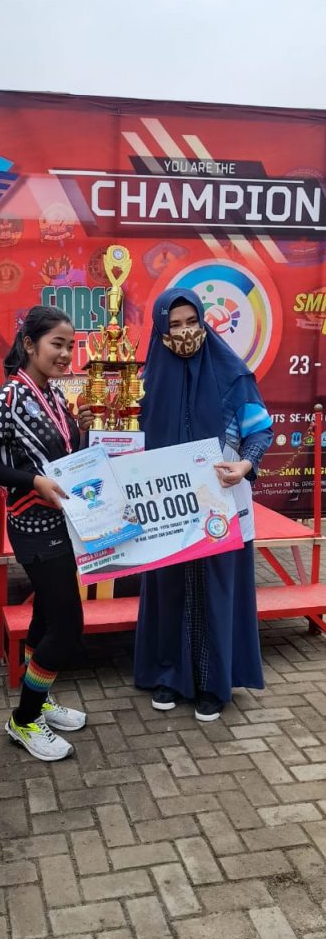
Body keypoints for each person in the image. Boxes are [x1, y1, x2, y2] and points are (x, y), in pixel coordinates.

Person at [134, 287, 273, 722]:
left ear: (204, 322)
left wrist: (245, 465)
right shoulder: (146, 382)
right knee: (168, 586)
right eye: (174, 325)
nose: (185, 332)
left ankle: (214, 683)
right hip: (167, 508)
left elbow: (259, 431)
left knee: (217, 588)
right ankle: (170, 676)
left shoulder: (232, 374)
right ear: (160, 330)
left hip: (221, 502)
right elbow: (128, 438)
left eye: (191, 322)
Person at [0, 305, 93, 762]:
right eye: (56, 344)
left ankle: (39, 700)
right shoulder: (9, 398)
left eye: (69, 346)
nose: (64, 354)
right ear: (29, 344)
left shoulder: (54, 395)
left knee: (45, 618)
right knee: (68, 625)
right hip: (34, 527)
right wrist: (33, 481)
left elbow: (62, 459)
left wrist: (83, 435)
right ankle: (23, 719)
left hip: (62, 523)